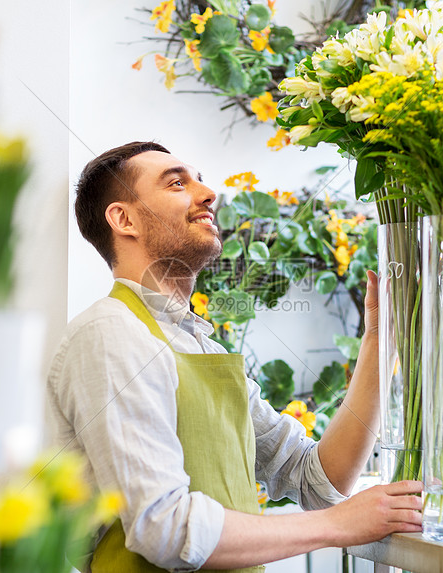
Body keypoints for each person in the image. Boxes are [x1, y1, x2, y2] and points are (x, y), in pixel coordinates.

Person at [47, 141, 423, 572]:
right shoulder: (110, 334)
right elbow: (164, 528)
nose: (208, 194)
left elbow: (317, 477)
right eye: (176, 183)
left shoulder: (200, 345)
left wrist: (380, 340)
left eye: (201, 180)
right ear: (123, 218)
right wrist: (336, 525)